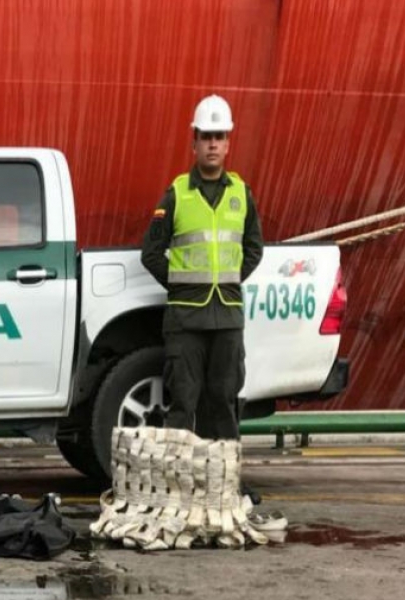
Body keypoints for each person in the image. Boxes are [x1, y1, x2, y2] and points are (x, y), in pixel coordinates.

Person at [141, 94, 264, 445]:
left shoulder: (242, 194)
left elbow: (254, 248)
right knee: (183, 404)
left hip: (226, 318)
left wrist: (229, 279)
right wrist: (180, 286)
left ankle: (222, 484)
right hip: (186, 321)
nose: (212, 144)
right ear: (194, 141)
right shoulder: (177, 195)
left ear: (228, 143)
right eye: (206, 136)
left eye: (219, 136)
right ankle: (178, 487)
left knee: (223, 404)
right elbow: (150, 253)